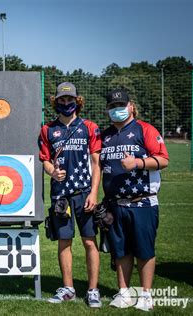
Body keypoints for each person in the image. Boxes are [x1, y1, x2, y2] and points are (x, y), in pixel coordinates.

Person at [101, 89, 169, 311]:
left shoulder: (145, 129)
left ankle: (146, 295)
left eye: (121, 105)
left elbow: (163, 159)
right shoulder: (106, 135)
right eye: (112, 106)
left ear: (131, 106)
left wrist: (138, 163)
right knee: (120, 251)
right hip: (115, 203)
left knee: (144, 250)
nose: (116, 109)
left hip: (143, 202)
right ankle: (124, 292)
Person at [38, 82, 102, 307]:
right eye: (62, 100)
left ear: (78, 101)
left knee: (89, 241)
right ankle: (68, 289)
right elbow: (45, 160)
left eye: (70, 99)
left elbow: (96, 163)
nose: (66, 103)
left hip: (84, 193)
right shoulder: (47, 130)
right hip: (60, 197)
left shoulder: (89, 127)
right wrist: (52, 173)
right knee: (64, 242)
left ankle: (93, 290)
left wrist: (94, 192)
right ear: (56, 102)